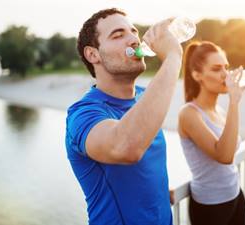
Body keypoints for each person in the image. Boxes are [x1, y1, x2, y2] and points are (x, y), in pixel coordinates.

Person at [65, 8, 183, 225]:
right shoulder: (82, 115)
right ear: (93, 54)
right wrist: (173, 57)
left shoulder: (145, 97)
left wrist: (156, 189)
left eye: (134, 32)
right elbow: (125, 147)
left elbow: (143, 165)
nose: (134, 40)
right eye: (118, 35)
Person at [178, 41, 245, 225]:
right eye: (217, 69)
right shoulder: (189, 114)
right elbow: (224, 155)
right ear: (197, 75)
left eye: (226, 67)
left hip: (234, 194)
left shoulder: (219, 110)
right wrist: (234, 101)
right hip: (211, 206)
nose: (225, 74)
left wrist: (232, 103)